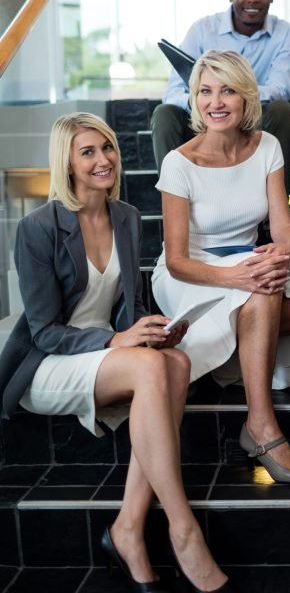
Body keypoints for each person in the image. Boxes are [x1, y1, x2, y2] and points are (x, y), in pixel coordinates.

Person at [0, 113, 234, 593]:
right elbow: (45, 331)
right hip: (50, 363)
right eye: (87, 152)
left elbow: (127, 304)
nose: (104, 159)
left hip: (109, 352)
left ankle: (128, 528)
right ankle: (182, 528)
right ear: (65, 162)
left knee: (177, 360)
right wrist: (115, 341)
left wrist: (149, 330)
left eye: (107, 148)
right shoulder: (37, 229)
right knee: (151, 366)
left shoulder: (126, 216)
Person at [151, 49, 290, 484]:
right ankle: (260, 425)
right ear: (194, 99)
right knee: (262, 290)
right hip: (194, 271)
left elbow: (283, 228)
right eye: (204, 91)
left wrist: (284, 254)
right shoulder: (178, 163)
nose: (215, 102)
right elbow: (177, 260)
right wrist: (238, 276)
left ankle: (229, 344)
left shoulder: (267, 146)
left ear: (245, 96)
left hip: (248, 261)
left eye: (227, 90)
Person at [152, 0, 290, 190]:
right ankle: (174, 196)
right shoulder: (202, 30)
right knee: (164, 114)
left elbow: (280, 89)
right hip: (205, 116)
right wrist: (210, 103)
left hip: (254, 116)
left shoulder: (286, 33)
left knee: (282, 110)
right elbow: (172, 93)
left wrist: (234, 97)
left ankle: (276, 204)